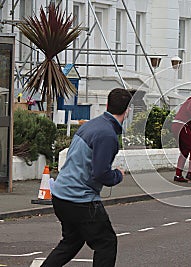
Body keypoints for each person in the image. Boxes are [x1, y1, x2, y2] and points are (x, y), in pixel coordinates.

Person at [41, 88, 132, 267]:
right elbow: (101, 174)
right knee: (106, 243)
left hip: (61, 195)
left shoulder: (91, 125)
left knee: (71, 242)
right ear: (127, 110)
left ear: (107, 105)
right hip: (81, 200)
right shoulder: (107, 134)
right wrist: (117, 175)